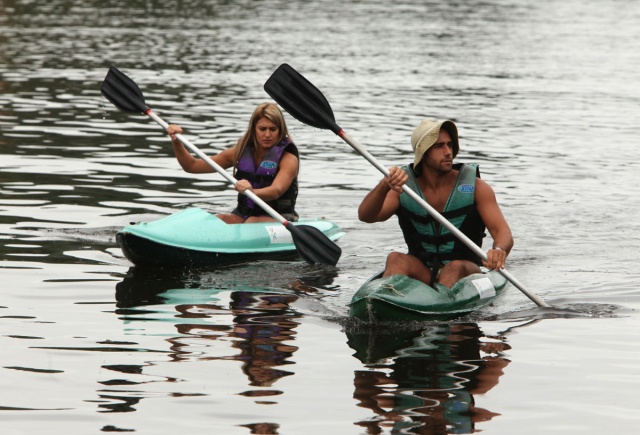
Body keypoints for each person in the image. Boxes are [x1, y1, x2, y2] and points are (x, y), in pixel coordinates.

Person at [358, 118, 513, 287]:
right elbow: (367, 216)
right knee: (395, 259)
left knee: (454, 267)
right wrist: (384, 185)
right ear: (423, 153)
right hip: (423, 269)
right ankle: (388, 300)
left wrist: (499, 250)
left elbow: (502, 232)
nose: (448, 152)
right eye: (439, 146)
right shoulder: (403, 188)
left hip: (466, 270)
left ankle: (439, 305)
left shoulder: (477, 187)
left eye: (450, 145)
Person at [166, 102, 299, 224]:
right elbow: (192, 166)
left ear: (280, 130)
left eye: (273, 129)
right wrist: (177, 142)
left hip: (280, 217)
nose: (267, 134)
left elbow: (276, 191)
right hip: (244, 214)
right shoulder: (239, 153)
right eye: (262, 129)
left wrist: (252, 191)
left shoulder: (288, 159)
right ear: (254, 129)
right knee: (219, 220)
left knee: (252, 222)